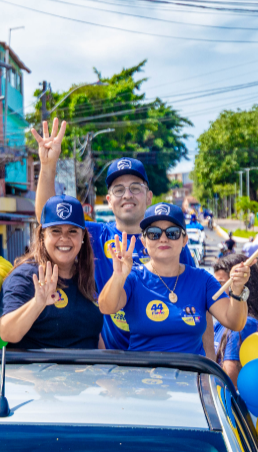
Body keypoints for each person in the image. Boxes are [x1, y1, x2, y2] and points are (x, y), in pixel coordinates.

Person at [31, 118, 200, 352]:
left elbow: (198, 302)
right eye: (119, 190)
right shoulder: (95, 236)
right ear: (109, 200)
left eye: (135, 188)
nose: (127, 195)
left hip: (163, 360)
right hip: (113, 363)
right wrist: (48, 166)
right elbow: (47, 217)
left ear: (149, 196)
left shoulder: (170, 242)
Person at [99, 203, 250, 355]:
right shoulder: (133, 279)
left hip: (190, 375)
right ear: (144, 242)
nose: (163, 239)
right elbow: (106, 307)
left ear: (185, 240)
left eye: (172, 233)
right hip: (142, 374)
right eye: (154, 233)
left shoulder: (203, 280)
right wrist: (118, 275)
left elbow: (234, 322)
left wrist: (237, 290)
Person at [0, 195, 102, 350]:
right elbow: (7, 333)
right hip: (38, 373)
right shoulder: (25, 277)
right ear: (42, 236)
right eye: (56, 231)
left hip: (88, 372)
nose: (64, 238)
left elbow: (94, 336)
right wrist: (37, 303)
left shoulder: (85, 277)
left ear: (83, 237)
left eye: (73, 231)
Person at [211, 255, 258, 380]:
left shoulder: (244, 325)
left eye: (220, 283)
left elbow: (231, 377)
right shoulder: (220, 323)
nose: (214, 289)